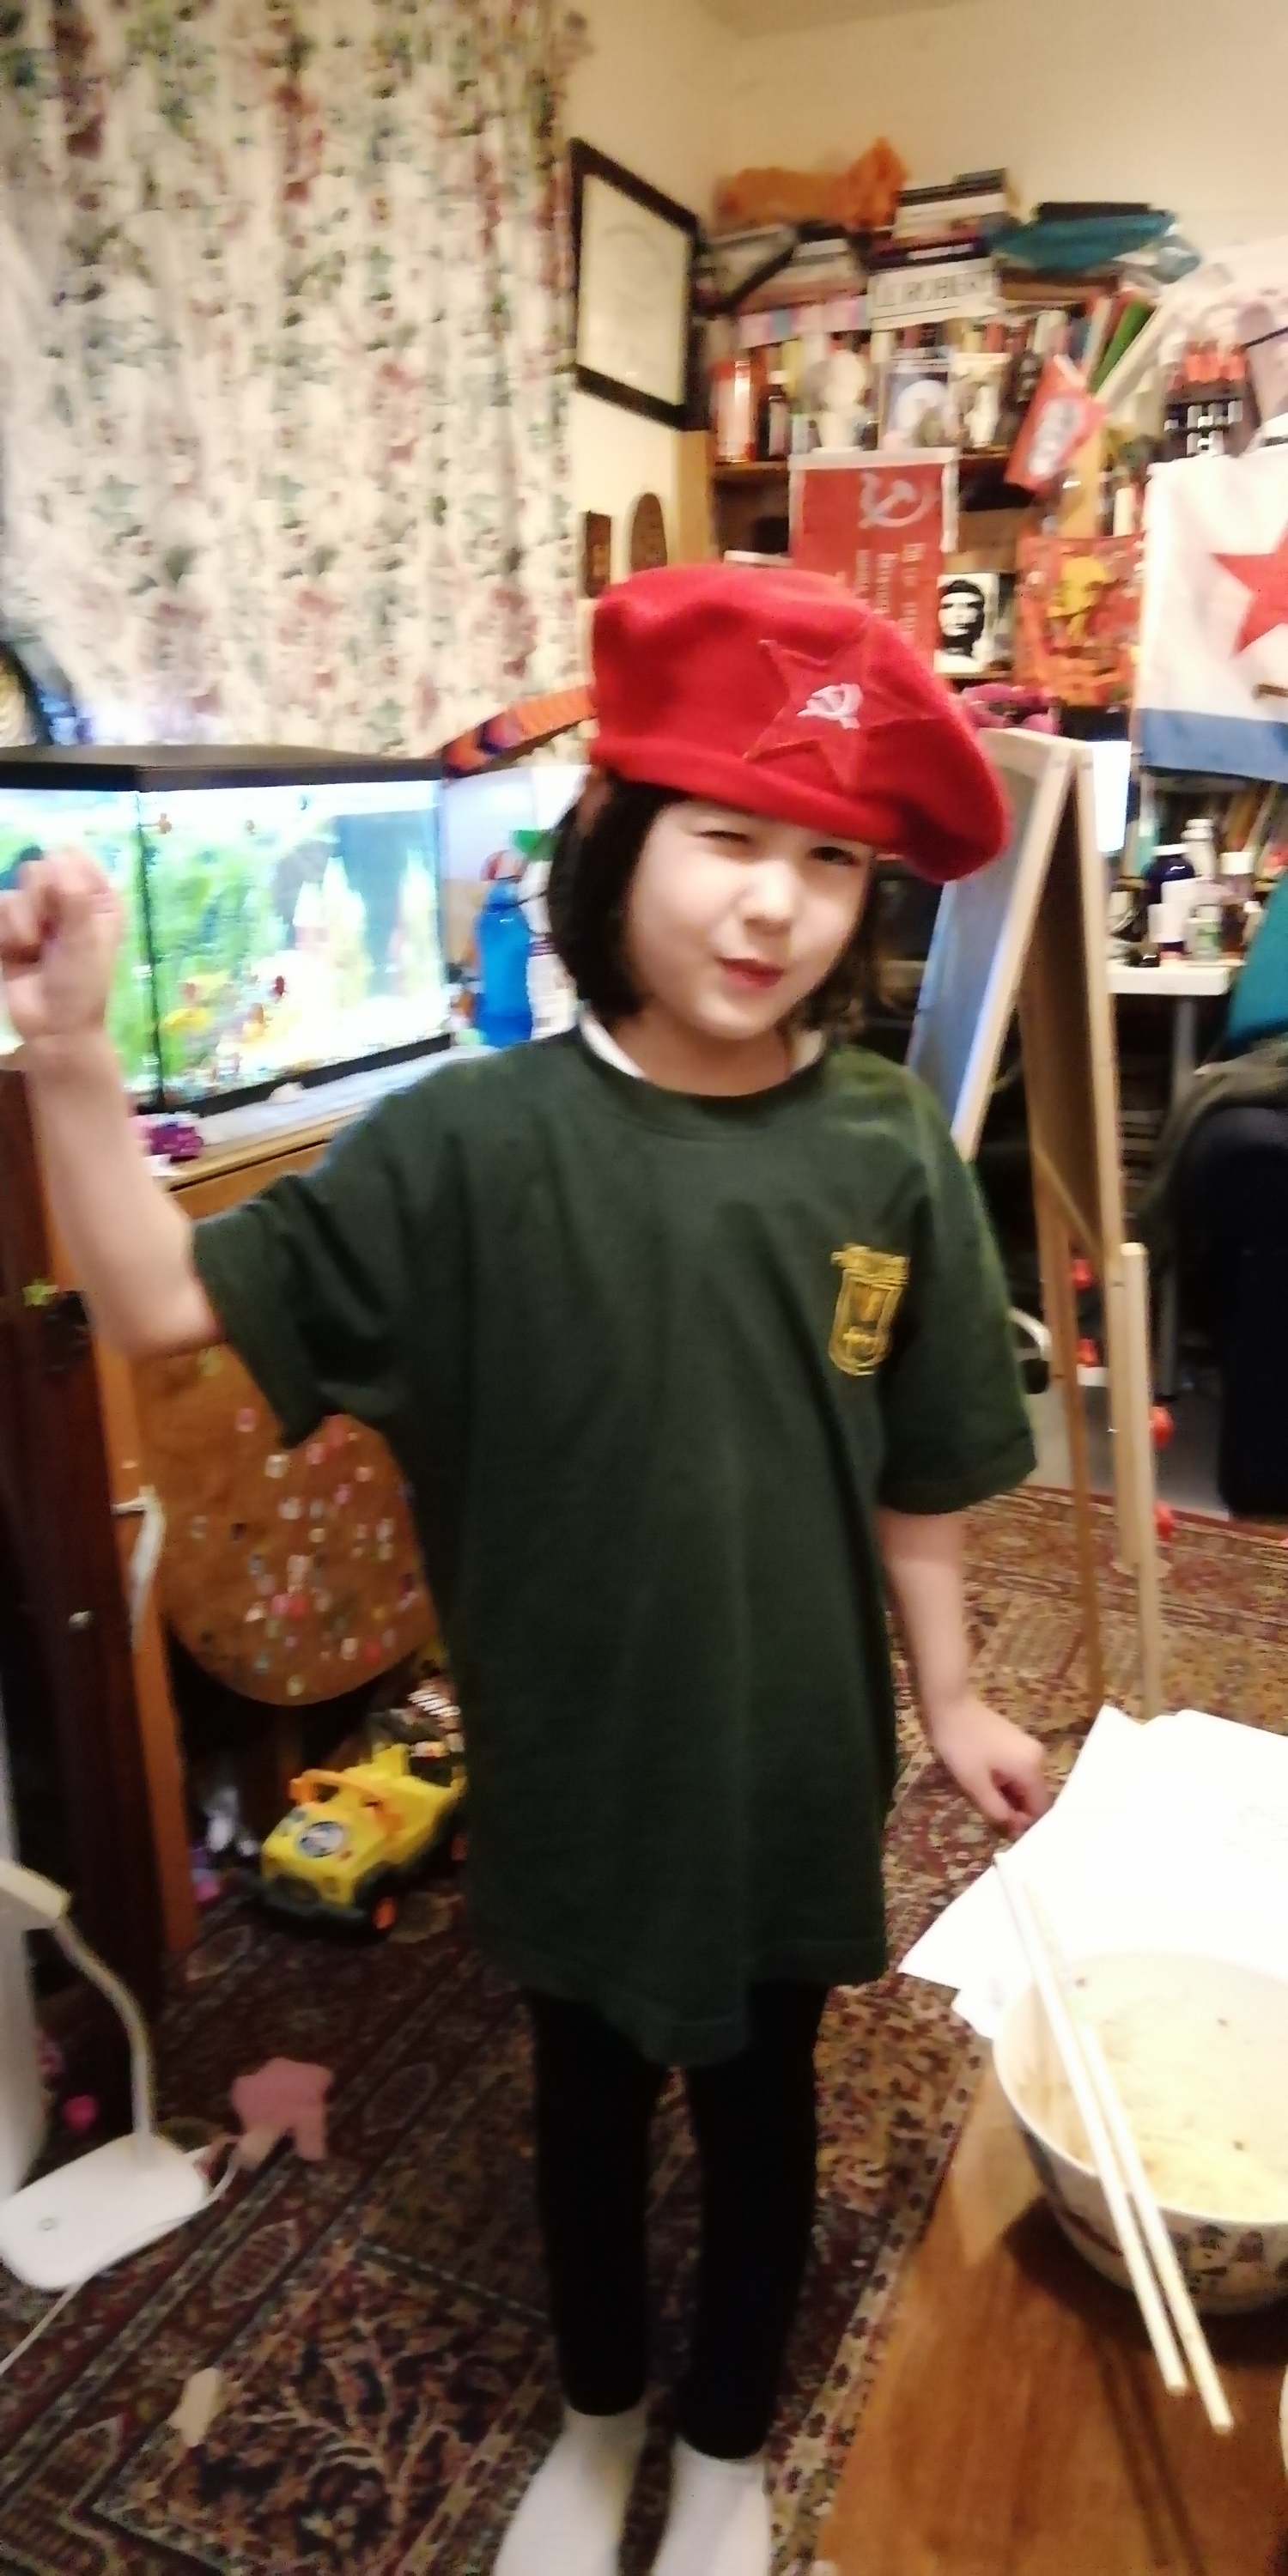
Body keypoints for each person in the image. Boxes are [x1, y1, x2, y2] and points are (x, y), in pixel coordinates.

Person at [0, 563, 1050, 2576]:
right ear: (614, 838)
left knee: (761, 2115)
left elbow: (924, 1464)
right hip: (571, 1765)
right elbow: (151, 1306)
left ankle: (723, 2454)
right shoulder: (464, 1145)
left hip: (788, 1762)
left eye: (830, 864)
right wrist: (62, 1056)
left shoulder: (887, 1151)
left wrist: (954, 1690)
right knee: (582, 2110)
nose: (775, 906)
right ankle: (594, 2421)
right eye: (728, 838)